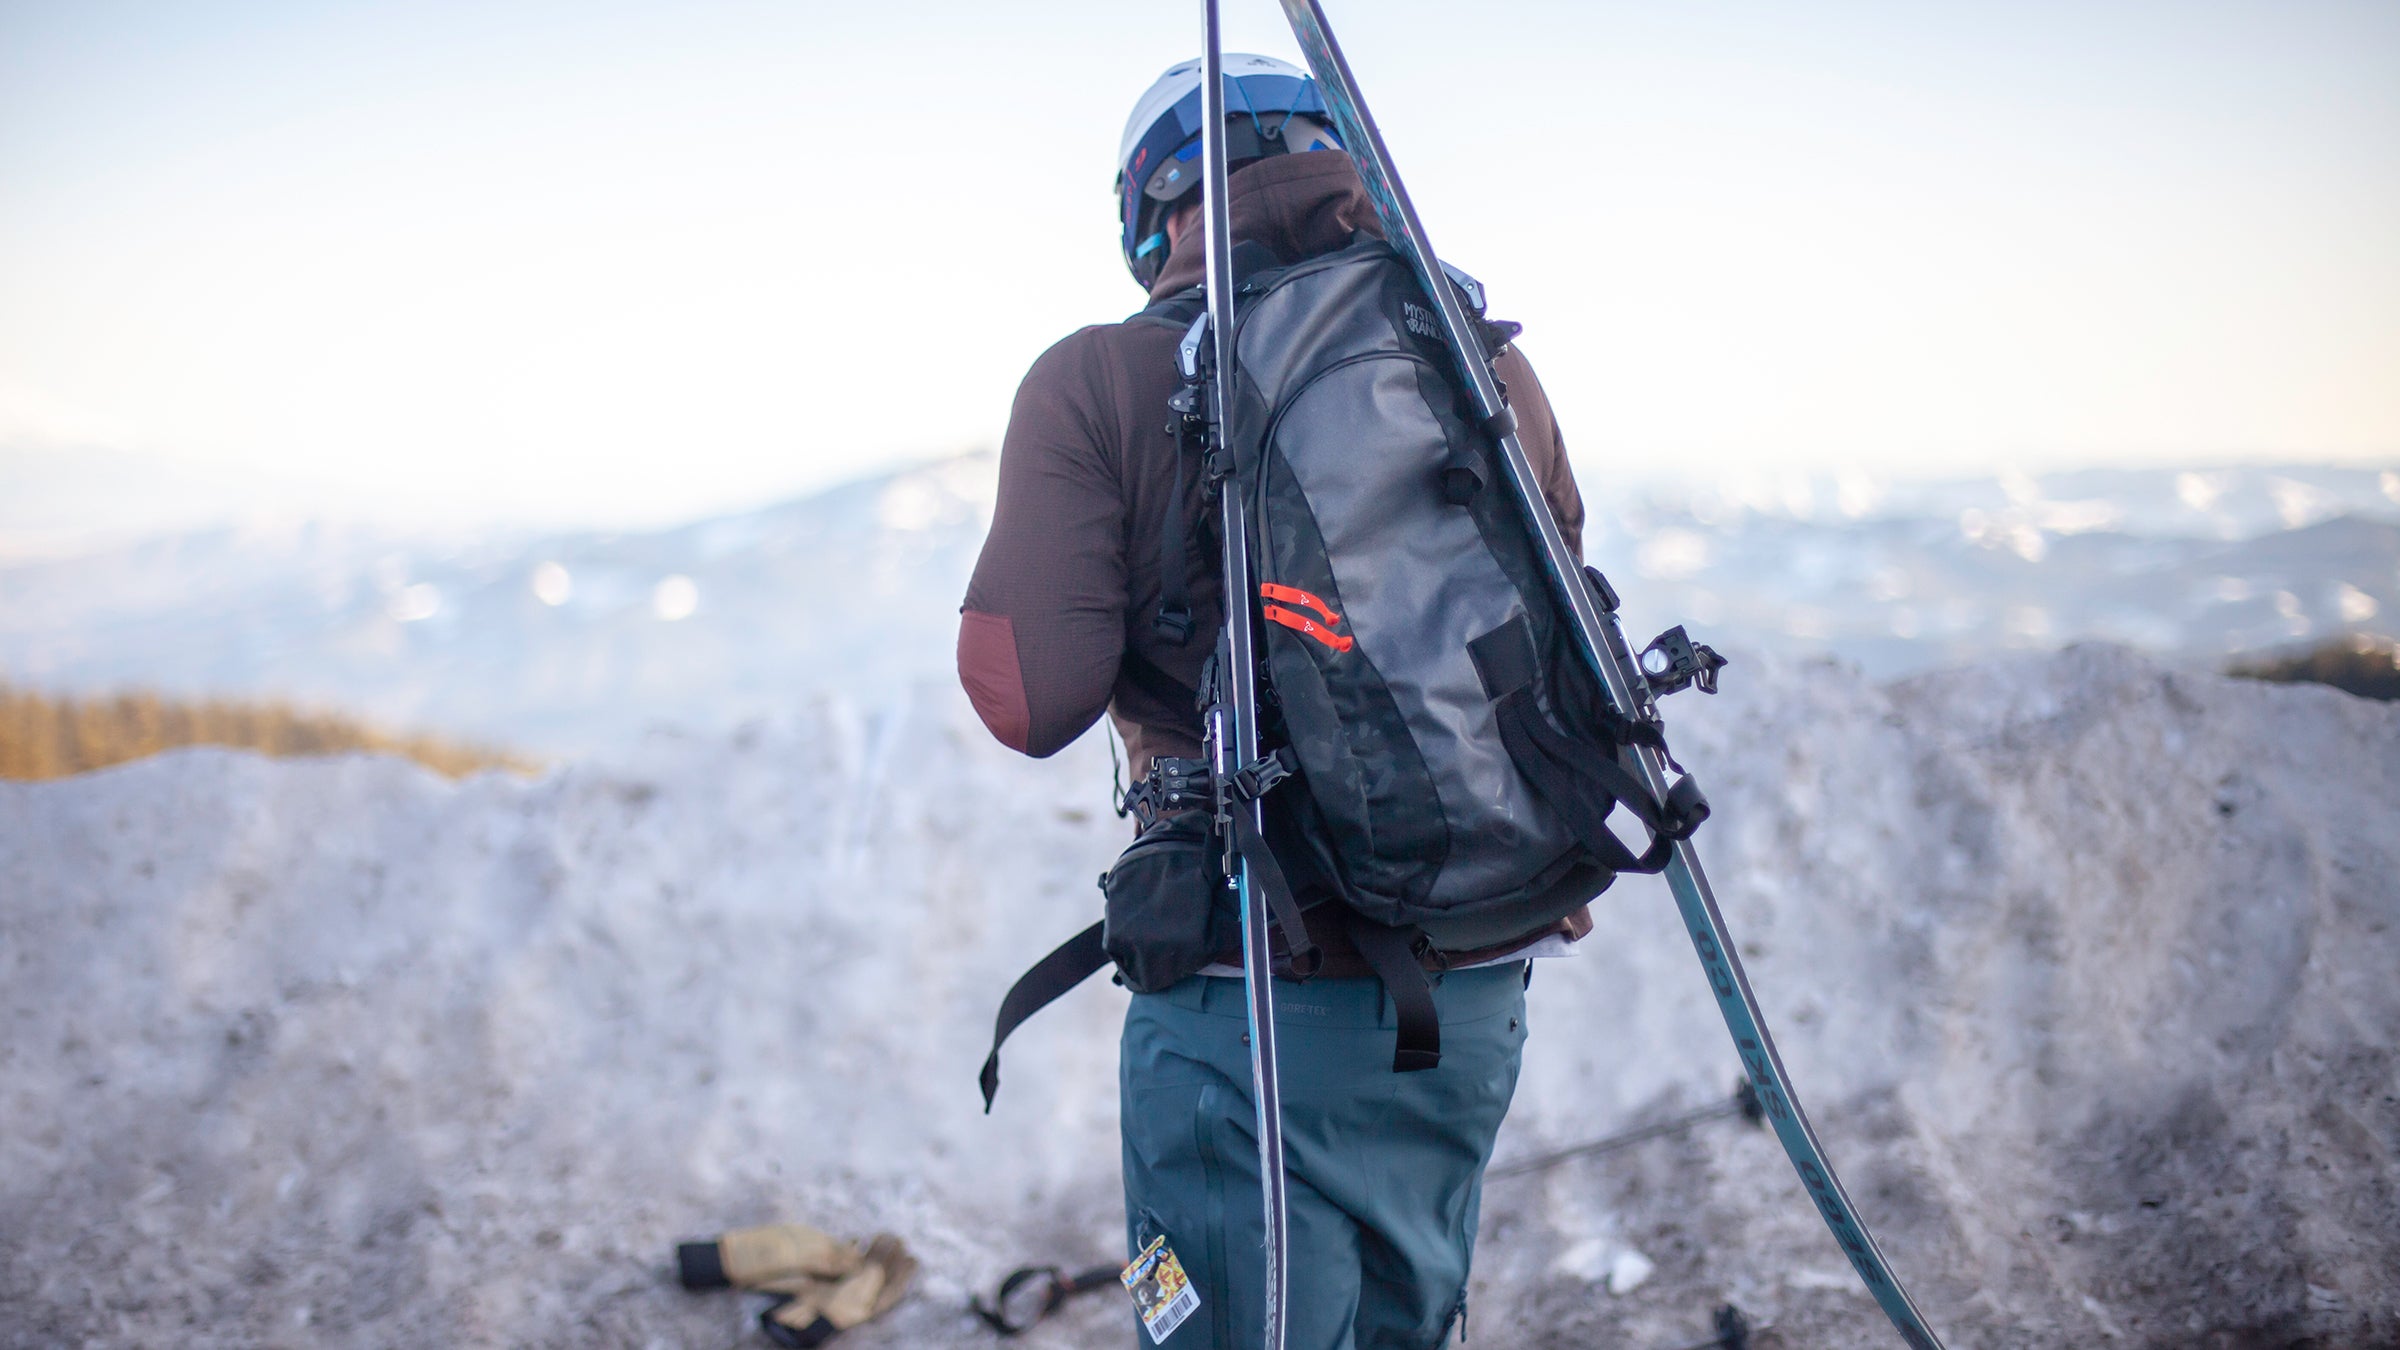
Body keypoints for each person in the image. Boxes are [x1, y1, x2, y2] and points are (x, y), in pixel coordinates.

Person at [958, 54, 1596, 1350]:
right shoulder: (1476, 352)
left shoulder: (1099, 381)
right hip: (1475, 983)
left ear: (1154, 211)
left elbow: (1028, 697)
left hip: (1245, 1000)